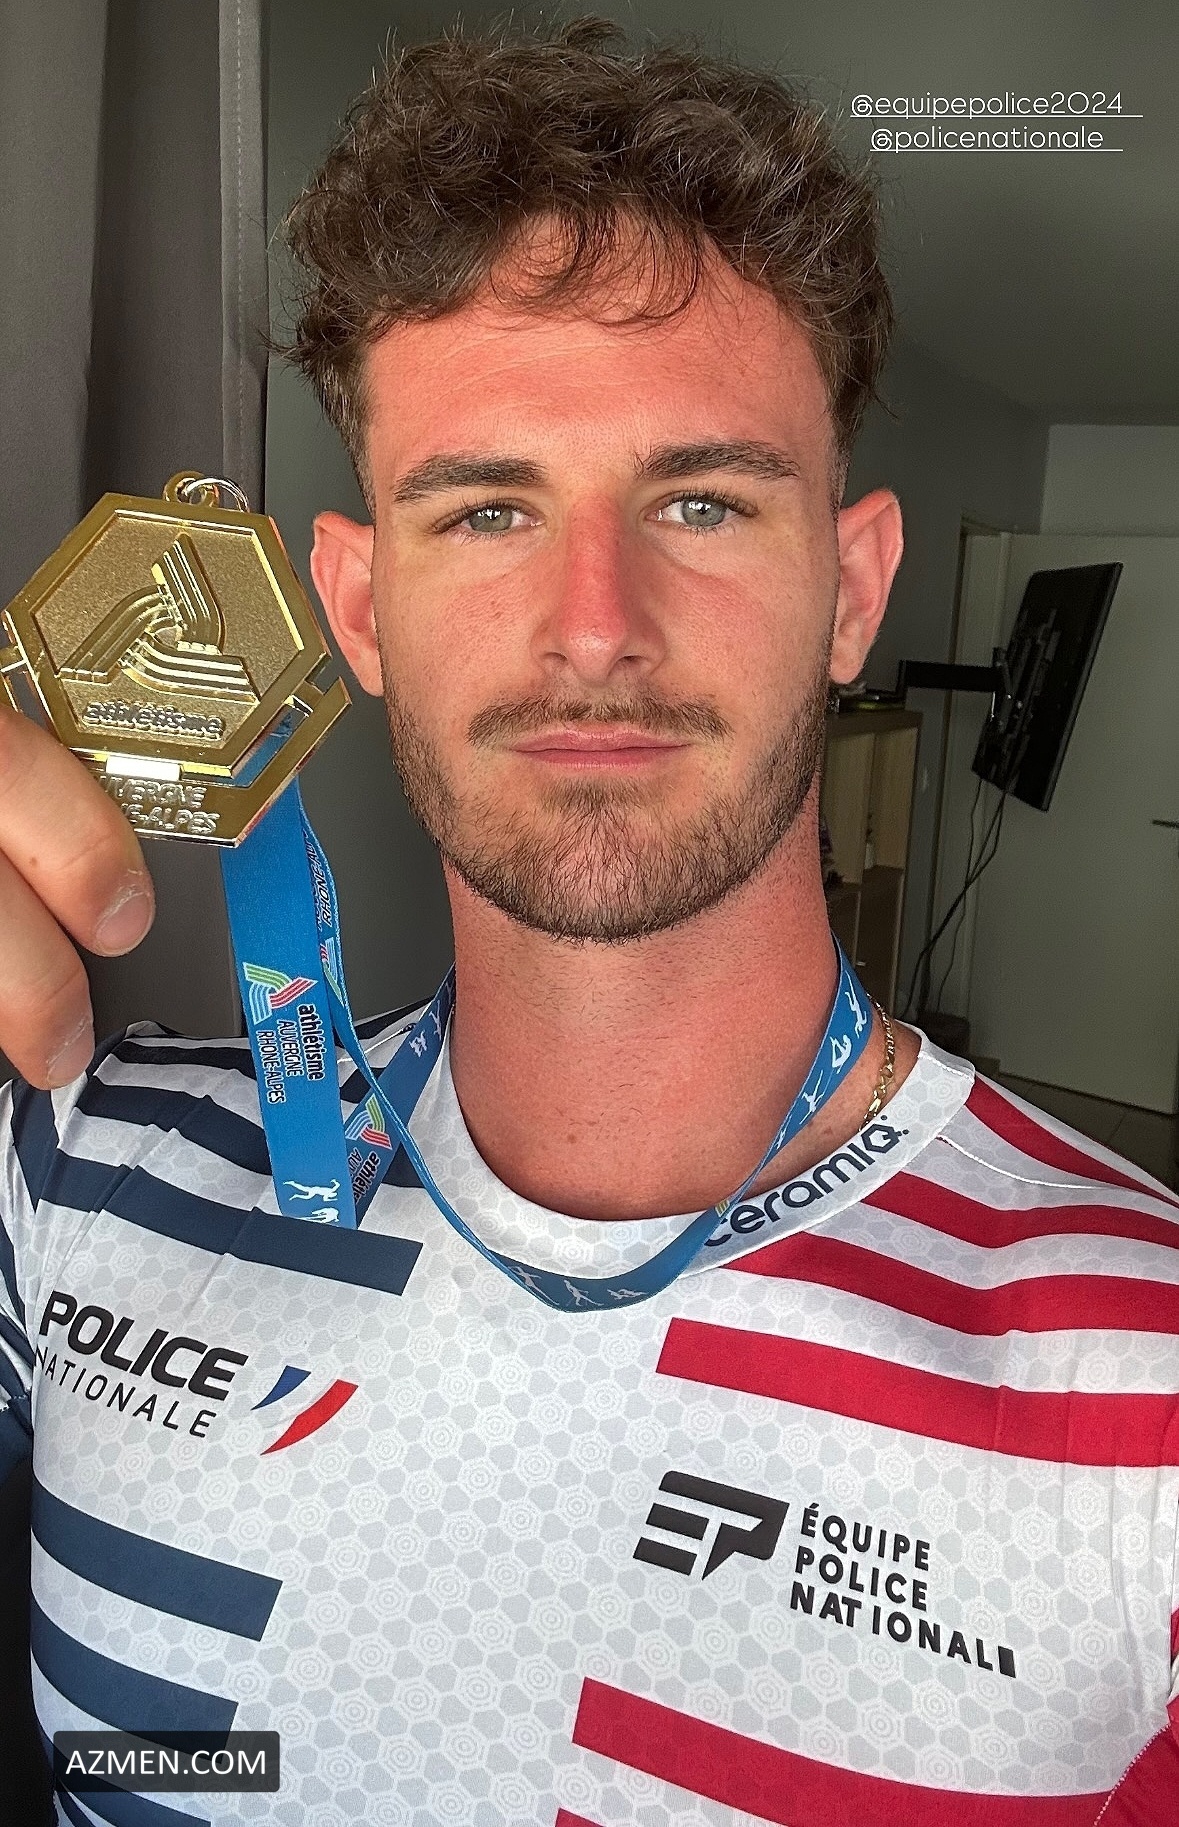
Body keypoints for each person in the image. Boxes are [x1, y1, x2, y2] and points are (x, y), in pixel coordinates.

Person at [1, 19, 1177, 1825]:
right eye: (487, 511)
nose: (597, 626)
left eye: (701, 501)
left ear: (851, 590)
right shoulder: (76, 1160)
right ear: (359, 610)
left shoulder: (1143, 1372)